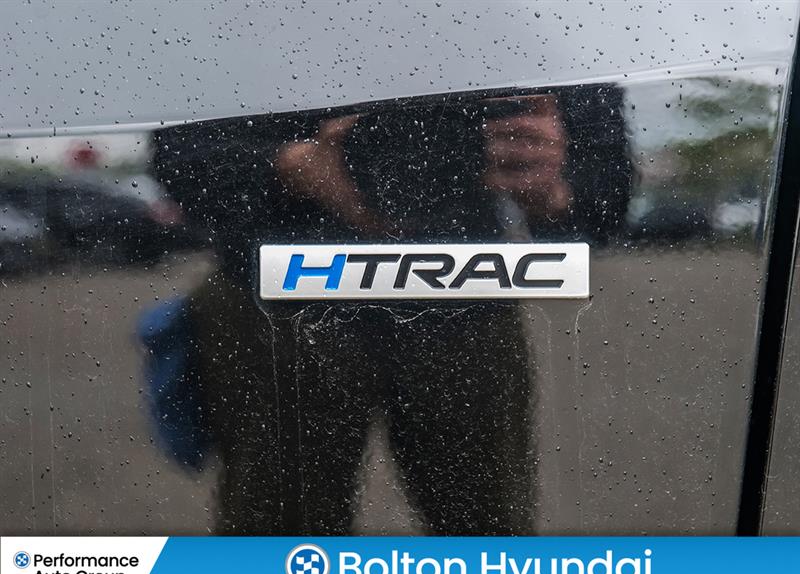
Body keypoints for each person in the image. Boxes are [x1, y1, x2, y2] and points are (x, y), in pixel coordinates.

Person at [143, 84, 631, 534]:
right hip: (278, 298)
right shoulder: (523, 36)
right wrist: (288, 166)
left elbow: (606, 191)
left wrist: (552, 183)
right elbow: (181, 157)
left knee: (485, 533)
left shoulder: (528, 38)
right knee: (276, 531)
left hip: (449, 294)